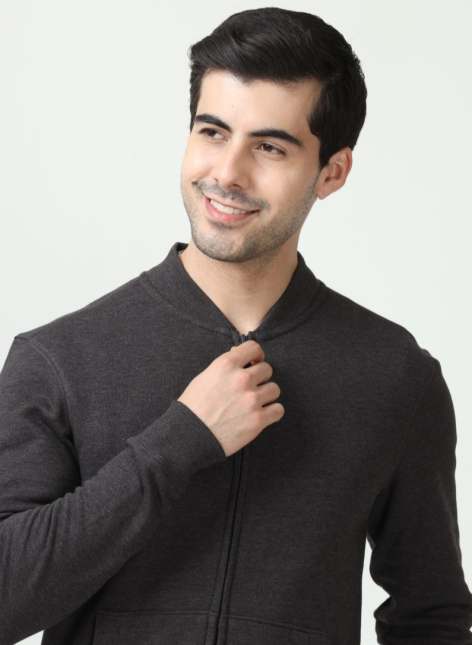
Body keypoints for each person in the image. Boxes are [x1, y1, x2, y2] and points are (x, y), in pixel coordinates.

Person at [1, 7, 471, 645]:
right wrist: (178, 443)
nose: (227, 173)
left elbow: (432, 616)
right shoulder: (61, 358)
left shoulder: (395, 376)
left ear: (332, 172)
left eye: (270, 147)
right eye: (213, 132)